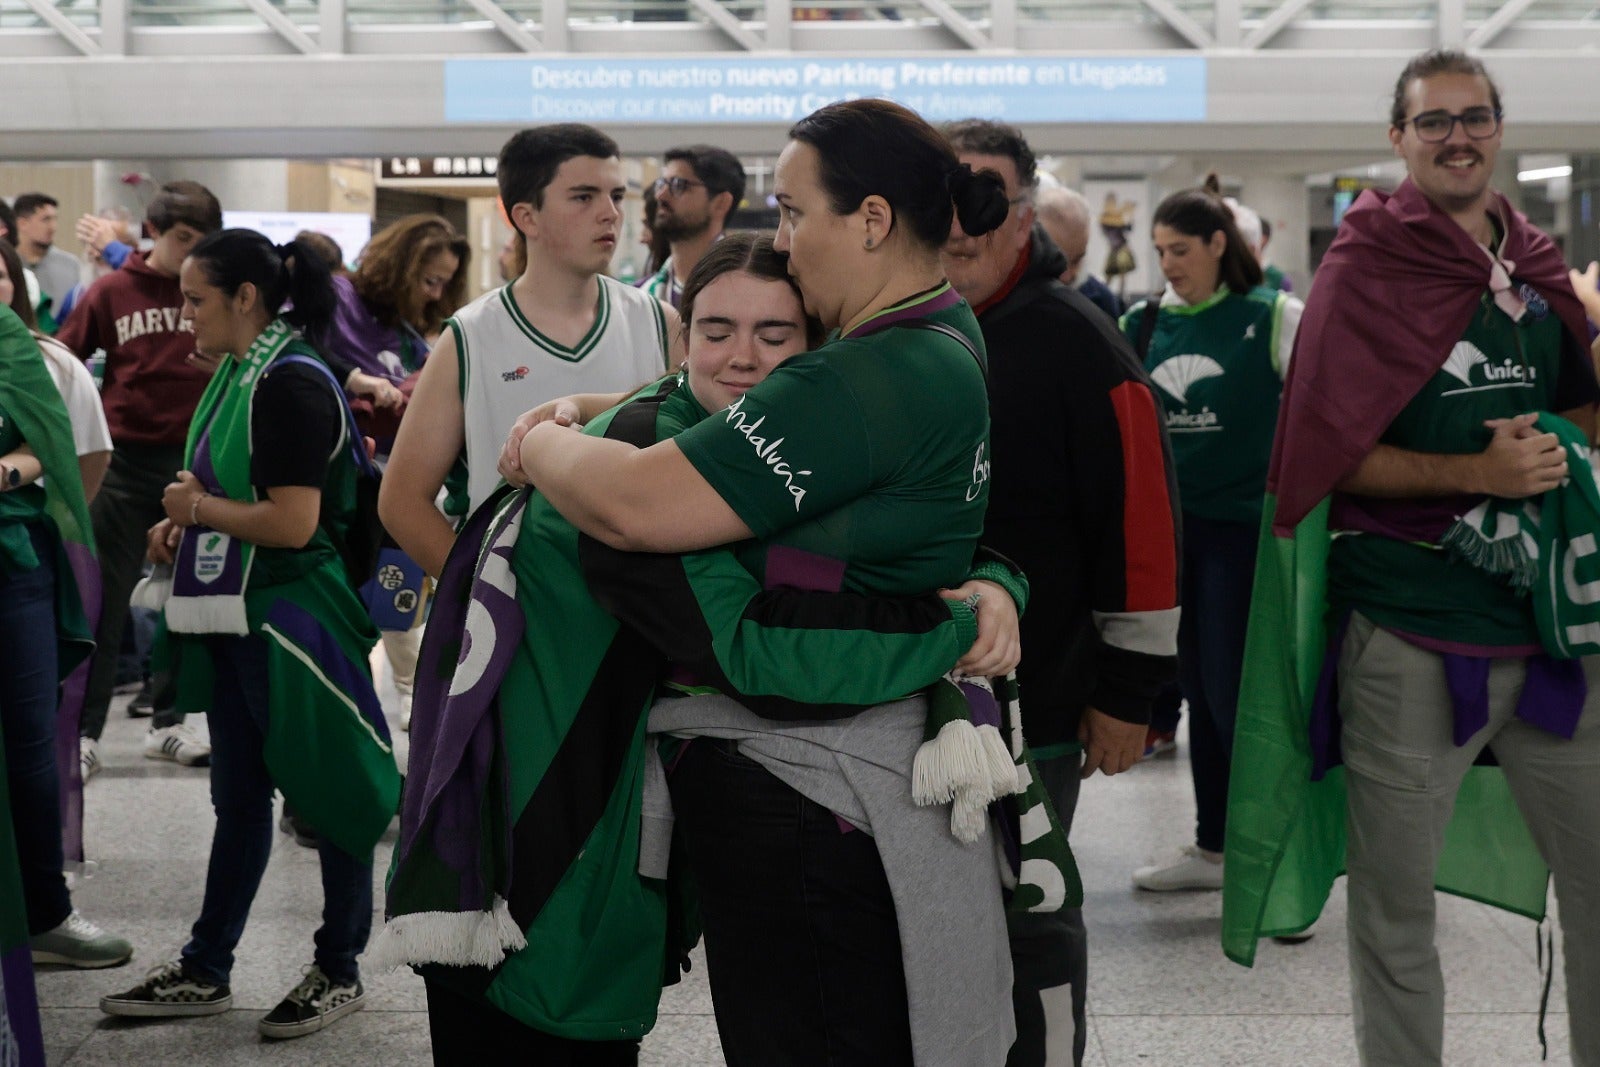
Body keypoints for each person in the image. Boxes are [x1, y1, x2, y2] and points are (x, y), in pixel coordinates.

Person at [382, 230, 1025, 1065]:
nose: (743, 358)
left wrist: (994, 574)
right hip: (524, 851)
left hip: (591, 819)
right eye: (717, 330)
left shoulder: (745, 448)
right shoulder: (637, 470)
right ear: (682, 339)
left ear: (817, 353)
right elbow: (758, 646)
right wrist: (957, 625)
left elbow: (872, 549)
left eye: (775, 334)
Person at [1224, 50, 1600, 1066]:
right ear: (1397, 138)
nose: (1455, 136)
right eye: (1431, 121)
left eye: (1473, 117)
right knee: (1395, 910)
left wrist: (1556, 443)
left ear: (1499, 128)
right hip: (1409, 633)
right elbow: (1325, 456)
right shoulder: (1364, 269)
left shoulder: (1530, 257)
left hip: (1552, 630)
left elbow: (1582, 404)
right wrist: (1476, 472)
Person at [98, 230, 400, 1039]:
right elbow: (224, 492)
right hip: (239, 613)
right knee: (238, 799)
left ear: (244, 298)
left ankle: (339, 967)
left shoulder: (288, 382)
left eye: (195, 299)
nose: (182, 313)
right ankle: (208, 965)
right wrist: (187, 526)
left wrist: (193, 512)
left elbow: (293, 523)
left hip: (292, 618)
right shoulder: (241, 369)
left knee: (330, 792)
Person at [941, 119, 1181, 1067]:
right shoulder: (892, 329)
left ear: (1025, 212)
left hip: (1033, 705)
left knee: (1028, 921)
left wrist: (1130, 692)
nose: (960, 222)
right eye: (943, 196)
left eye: (984, 196)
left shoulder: (1077, 340)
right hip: (905, 699)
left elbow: (1142, 524)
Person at [380, 124, 676, 578]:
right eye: (583, 197)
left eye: (616, 196)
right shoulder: (469, 337)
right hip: (512, 617)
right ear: (526, 217)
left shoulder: (660, 324)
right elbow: (401, 501)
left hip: (641, 610)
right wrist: (476, 595)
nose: (610, 213)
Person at [1119, 182, 1302, 895]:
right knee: (1193, 687)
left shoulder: (1274, 316)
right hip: (1172, 537)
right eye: (1159, 250)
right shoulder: (1142, 320)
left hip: (1243, 535)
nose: (1168, 263)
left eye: (1182, 249)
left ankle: (1272, 850)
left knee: (1234, 692)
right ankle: (1216, 844)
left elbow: (1326, 411)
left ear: (1220, 245)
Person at [57, 180, 222, 778]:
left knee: (190, 603)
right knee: (100, 604)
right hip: (125, 466)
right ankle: (83, 729)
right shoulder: (111, 291)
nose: (191, 252)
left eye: (203, 241)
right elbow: (64, 363)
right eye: (182, 239)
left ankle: (170, 723)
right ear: (152, 233)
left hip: (199, 469)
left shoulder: (213, 294)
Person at [0, 304, 132, 971]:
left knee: (29, 742)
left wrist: (4, 474)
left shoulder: (28, 353)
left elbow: (57, 448)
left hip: (14, 560)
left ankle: (45, 909)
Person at [318, 213, 469, 728]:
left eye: (444, 284)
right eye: (428, 280)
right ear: (401, 266)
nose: (434, 293)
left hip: (397, 482)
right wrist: (356, 379)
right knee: (348, 609)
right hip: (339, 486)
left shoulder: (412, 335)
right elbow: (293, 347)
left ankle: (412, 695)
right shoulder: (337, 300)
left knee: (398, 595)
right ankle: (354, 705)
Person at [638, 145, 746, 308]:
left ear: (720, 203)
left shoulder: (748, 293)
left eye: (678, 185)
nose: (661, 195)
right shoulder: (639, 297)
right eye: (662, 183)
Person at [1033, 184, 1123, 322]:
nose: (1068, 276)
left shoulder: (1102, 302)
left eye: (1077, 260)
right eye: (1057, 261)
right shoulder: (1004, 298)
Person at [11, 194, 82, 317]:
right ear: (22, 224)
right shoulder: (8, 264)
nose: (53, 227)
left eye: (55, 219)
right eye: (46, 219)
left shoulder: (71, 265)